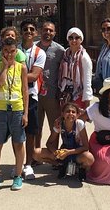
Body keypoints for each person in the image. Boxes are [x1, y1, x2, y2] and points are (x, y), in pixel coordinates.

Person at [0, 37, 29, 191]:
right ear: (2, 51)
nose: (9, 54)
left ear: (16, 51)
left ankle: (18, 176)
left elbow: (25, 90)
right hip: (0, 109)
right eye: (6, 51)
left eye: (12, 51)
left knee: (19, 143)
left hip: (17, 108)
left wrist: (26, 113)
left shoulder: (22, 67)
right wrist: (5, 67)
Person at [33, 102, 93, 181]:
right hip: (63, 153)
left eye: (73, 112)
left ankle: (81, 168)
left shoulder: (79, 124)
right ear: (62, 113)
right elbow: (49, 143)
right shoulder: (59, 125)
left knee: (89, 158)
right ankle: (60, 165)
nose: (70, 114)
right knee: (36, 153)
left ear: (78, 115)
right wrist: (56, 153)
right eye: (67, 111)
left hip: (77, 153)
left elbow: (86, 146)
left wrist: (68, 152)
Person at [19, 19, 46, 180]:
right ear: (21, 32)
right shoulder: (14, 50)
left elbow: (35, 75)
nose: (28, 31)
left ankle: (28, 164)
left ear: (35, 33)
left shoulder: (39, 53)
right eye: (25, 29)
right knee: (17, 133)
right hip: (14, 97)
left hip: (31, 95)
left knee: (30, 133)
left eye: (31, 29)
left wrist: (15, 75)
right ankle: (18, 163)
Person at [35, 21, 64, 153]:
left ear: (54, 33)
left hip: (52, 94)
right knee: (36, 126)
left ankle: (54, 153)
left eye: (51, 30)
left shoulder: (60, 50)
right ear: (41, 31)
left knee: (54, 125)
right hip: (35, 93)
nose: (48, 32)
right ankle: (35, 154)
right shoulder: (34, 48)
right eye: (45, 30)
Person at [58, 27, 92, 109]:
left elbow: (87, 80)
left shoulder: (84, 57)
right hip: (66, 94)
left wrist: (87, 101)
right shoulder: (65, 55)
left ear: (81, 40)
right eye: (71, 38)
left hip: (78, 95)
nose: (73, 40)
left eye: (77, 38)